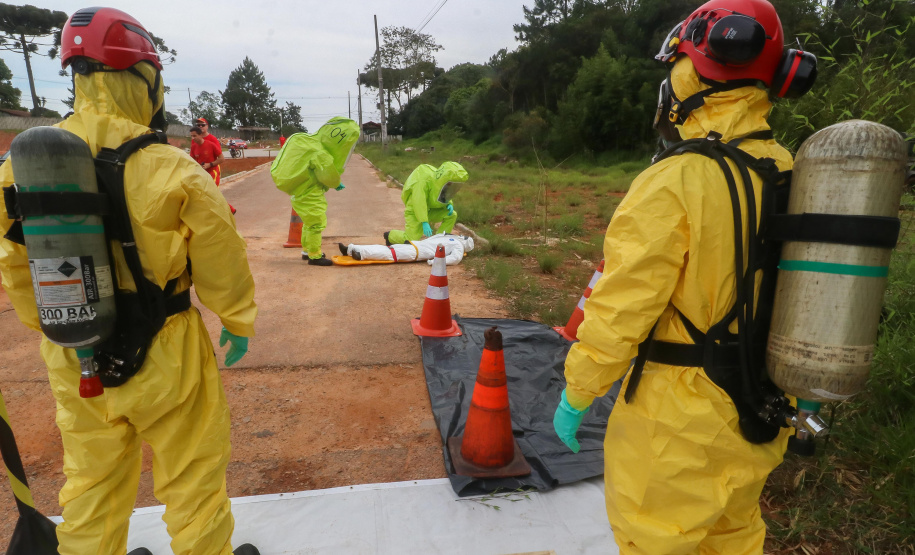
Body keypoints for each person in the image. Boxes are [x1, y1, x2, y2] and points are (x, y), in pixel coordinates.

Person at [552, 1, 810, 553]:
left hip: (678, 418)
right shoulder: (793, 169)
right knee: (735, 532)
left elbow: (623, 304)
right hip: (761, 401)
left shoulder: (676, 179)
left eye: (676, 67)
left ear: (694, 75)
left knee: (655, 538)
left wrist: (579, 391)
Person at [0, 8, 258, 555]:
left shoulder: (21, 166)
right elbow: (221, 257)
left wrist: (54, 326)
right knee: (193, 478)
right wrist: (237, 320)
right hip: (168, 348)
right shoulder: (172, 167)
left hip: (76, 349)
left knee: (91, 483)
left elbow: (14, 259)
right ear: (143, 79)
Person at [270, 117, 360, 266]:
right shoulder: (321, 154)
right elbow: (328, 176)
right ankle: (315, 256)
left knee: (309, 222)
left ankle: (307, 251)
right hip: (310, 191)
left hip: (299, 189)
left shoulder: (306, 141)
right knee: (316, 223)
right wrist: (336, 183)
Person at [385, 162, 468, 246]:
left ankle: (439, 241)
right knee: (411, 239)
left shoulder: (440, 182)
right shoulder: (423, 181)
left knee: (451, 215)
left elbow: (445, 192)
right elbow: (419, 201)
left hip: (430, 210)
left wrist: (449, 203)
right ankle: (389, 236)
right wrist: (424, 221)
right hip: (415, 211)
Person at [338, 233, 474, 264]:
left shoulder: (458, 246)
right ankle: (351, 249)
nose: (463, 236)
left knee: (388, 253)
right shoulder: (452, 238)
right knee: (387, 249)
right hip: (415, 245)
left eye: (465, 237)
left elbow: (454, 259)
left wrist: (434, 262)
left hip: (416, 252)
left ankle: (358, 253)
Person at [194, 117, 224, 184]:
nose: (200, 127)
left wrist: (210, 164)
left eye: (203, 125)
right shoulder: (194, 140)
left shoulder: (213, 139)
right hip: (200, 172)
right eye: (198, 125)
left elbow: (221, 158)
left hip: (212, 171)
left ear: (207, 126)